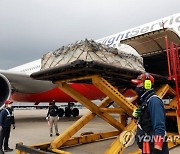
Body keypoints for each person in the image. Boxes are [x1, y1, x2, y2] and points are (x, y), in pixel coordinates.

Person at [131, 73, 169, 154]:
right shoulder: (146, 100)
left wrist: (157, 146)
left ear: (147, 85)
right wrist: (137, 117)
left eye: (139, 84)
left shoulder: (154, 101)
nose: (137, 87)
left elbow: (159, 126)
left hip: (154, 148)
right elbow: (146, 121)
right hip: (147, 145)